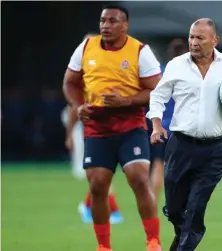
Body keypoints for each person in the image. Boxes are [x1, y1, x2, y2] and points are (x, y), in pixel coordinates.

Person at [147, 18, 222, 251]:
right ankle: (182, 237)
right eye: (191, 36)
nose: (194, 42)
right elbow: (158, 97)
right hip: (180, 146)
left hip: (214, 151)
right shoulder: (176, 65)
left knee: (196, 207)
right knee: (175, 210)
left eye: (200, 37)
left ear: (214, 40)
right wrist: (157, 126)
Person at [63, 5, 162, 251]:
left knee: (139, 178)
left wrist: (126, 101)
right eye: (103, 20)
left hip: (131, 126)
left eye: (113, 21)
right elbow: (69, 82)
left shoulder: (140, 51)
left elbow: (159, 90)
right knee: (97, 186)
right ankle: (104, 246)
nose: (106, 25)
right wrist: (78, 106)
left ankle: (153, 241)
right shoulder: (86, 48)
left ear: (125, 25)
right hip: (97, 128)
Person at [61, 33, 123, 225]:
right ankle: (104, 209)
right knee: (101, 173)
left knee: (105, 172)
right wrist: (70, 134)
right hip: (89, 130)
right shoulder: (81, 76)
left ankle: (92, 206)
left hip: (107, 129)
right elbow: (73, 108)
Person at [147, 38, 188, 202]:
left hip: (160, 127)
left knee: (157, 166)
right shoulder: (189, 76)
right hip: (181, 129)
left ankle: (152, 204)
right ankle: (180, 204)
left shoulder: (161, 74)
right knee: (181, 168)